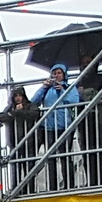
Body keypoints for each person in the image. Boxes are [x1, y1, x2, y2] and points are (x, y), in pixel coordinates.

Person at [32, 65, 80, 193]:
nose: (57, 75)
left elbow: (75, 100)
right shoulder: (47, 89)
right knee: (50, 157)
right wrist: (43, 87)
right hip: (49, 127)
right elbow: (34, 101)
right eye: (54, 73)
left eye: (59, 73)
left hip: (65, 126)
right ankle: (52, 187)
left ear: (64, 75)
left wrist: (63, 91)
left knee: (65, 156)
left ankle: (69, 184)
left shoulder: (69, 87)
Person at [75, 64, 102, 188]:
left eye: (88, 62)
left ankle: (101, 180)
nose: (86, 65)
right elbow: (74, 99)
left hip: (99, 118)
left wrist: (84, 93)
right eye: (83, 63)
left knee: (100, 148)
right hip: (82, 120)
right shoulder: (77, 81)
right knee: (86, 150)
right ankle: (90, 180)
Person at [1, 86, 42, 196]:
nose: (18, 98)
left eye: (20, 95)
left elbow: (35, 114)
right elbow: (2, 117)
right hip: (15, 142)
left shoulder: (30, 105)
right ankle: (16, 190)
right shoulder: (9, 108)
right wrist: (15, 112)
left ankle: (30, 190)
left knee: (29, 168)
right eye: (16, 96)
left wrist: (20, 112)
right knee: (16, 168)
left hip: (30, 142)